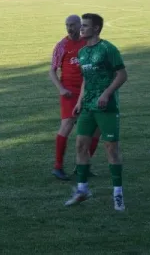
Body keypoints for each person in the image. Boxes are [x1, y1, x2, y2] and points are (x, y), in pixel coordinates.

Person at [65, 13, 128, 211]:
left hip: (106, 108)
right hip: (87, 108)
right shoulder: (82, 52)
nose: (81, 29)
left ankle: (118, 193)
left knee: (111, 149)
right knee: (80, 147)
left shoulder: (108, 49)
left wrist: (106, 94)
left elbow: (122, 75)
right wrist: (79, 101)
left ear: (97, 29)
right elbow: (87, 79)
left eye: (85, 26)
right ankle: (83, 190)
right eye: (81, 25)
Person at [49, 16, 100, 181]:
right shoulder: (62, 46)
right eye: (67, 25)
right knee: (67, 124)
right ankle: (58, 167)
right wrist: (61, 89)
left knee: (96, 129)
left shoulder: (89, 43)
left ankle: (82, 166)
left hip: (89, 90)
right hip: (70, 91)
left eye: (72, 25)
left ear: (80, 26)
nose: (69, 28)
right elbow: (52, 70)